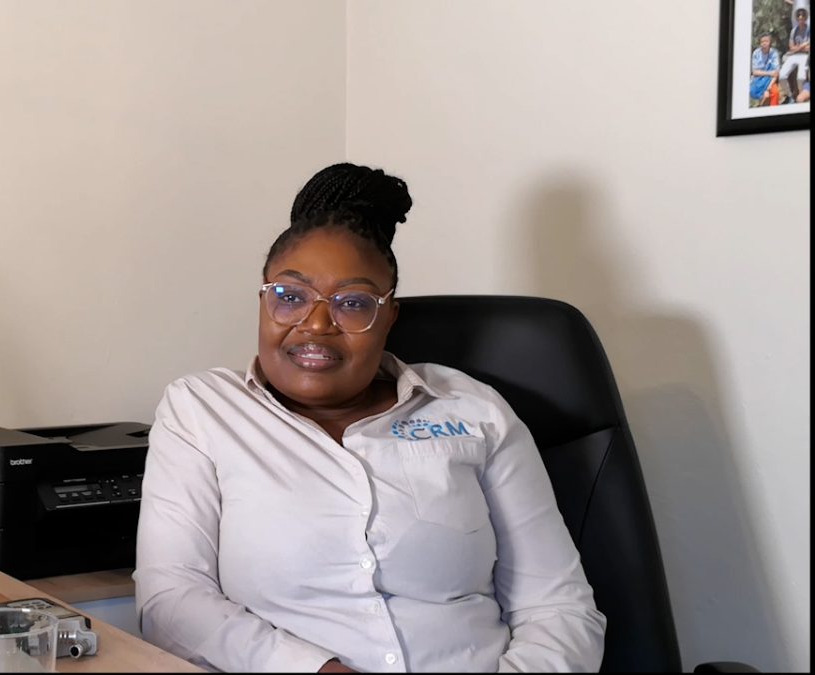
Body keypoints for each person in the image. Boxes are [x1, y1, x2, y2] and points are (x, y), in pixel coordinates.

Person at [134, 163, 606, 672]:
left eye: (353, 303)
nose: (316, 324)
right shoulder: (203, 410)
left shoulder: (474, 410)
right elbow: (173, 600)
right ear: (263, 301)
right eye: (290, 297)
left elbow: (556, 607)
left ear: (389, 317)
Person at [780, 8, 810, 103]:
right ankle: (790, 96)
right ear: (796, 18)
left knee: (801, 77)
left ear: (806, 18)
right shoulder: (794, 31)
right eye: (799, 16)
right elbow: (791, 47)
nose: (800, 17)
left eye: (802, 16)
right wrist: (803, 45)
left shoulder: (809, 30)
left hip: (805, 56)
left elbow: (808, 48)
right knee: (782, 75)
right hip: (794, 55)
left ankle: (801, 96)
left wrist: (797, 48)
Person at [750, 33, 781, 107]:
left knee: (775, 92)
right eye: (762, 41)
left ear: (770, 42)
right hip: (758, 80)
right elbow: (755, 72)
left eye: (766, 41)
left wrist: (768, 88)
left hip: (770, 80)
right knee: (754, 92)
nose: (764, 43)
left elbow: (776, 73)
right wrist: (769, 73)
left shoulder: (774, 53)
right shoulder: (756, 53)